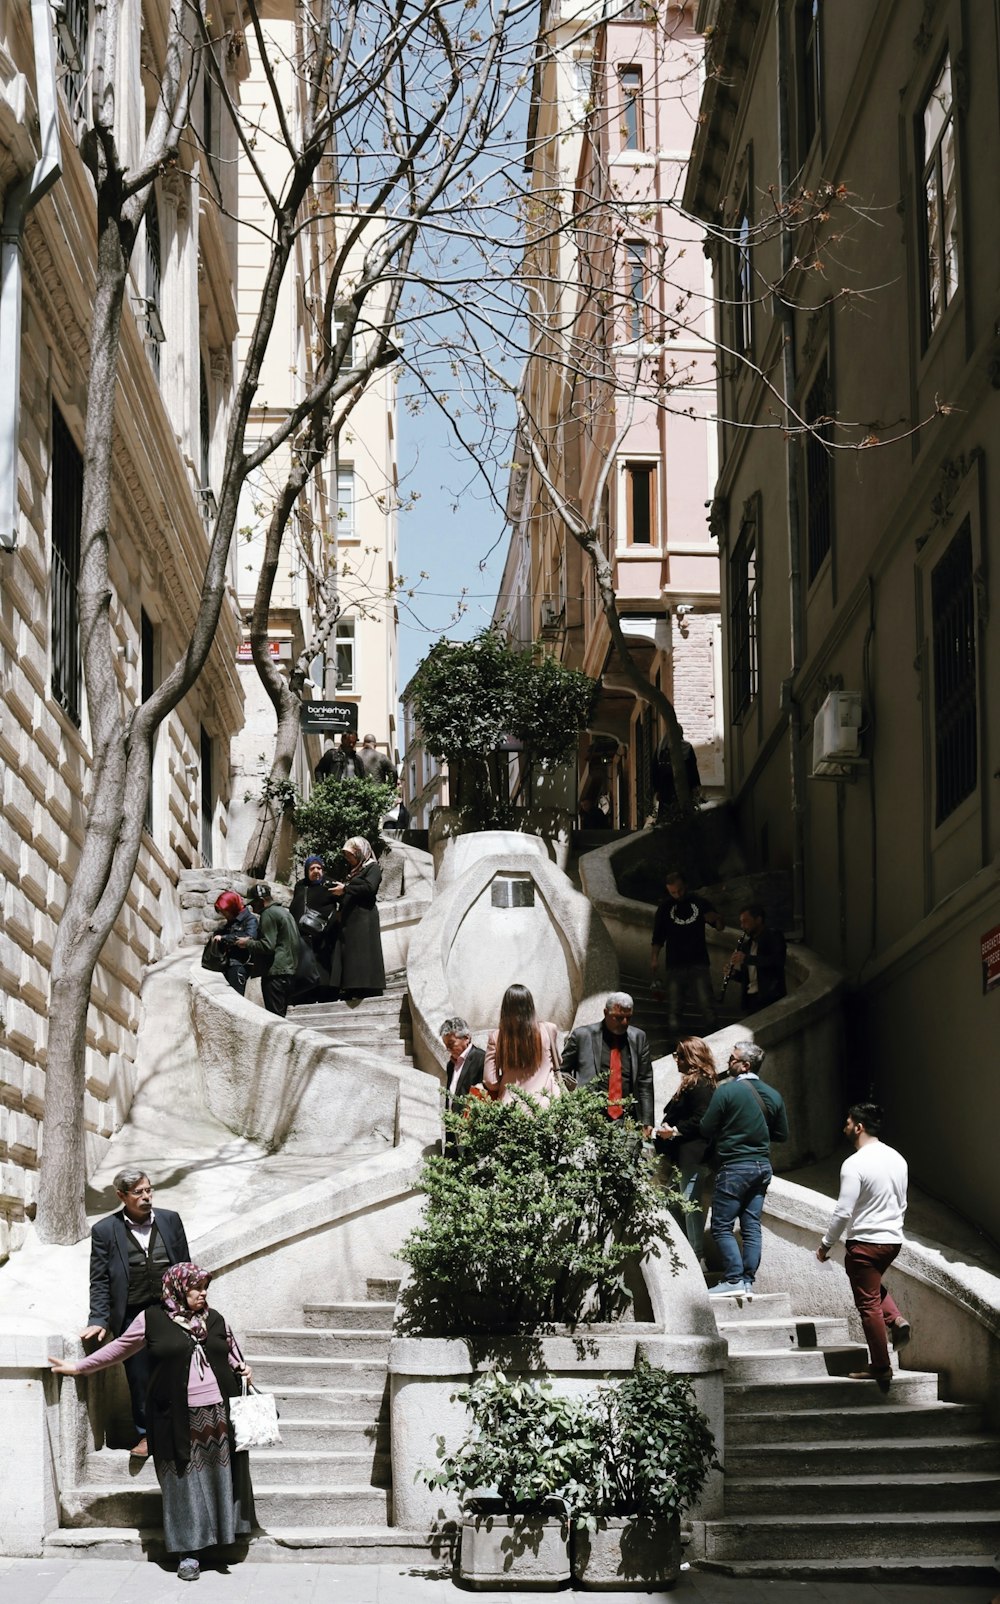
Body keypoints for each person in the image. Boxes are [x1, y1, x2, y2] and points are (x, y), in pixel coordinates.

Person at [51, 1261, 254, 1582]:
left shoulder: (215, 1319)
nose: (203, 1293)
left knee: (218, 1476)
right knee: (182, 1483)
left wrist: (243, 1368)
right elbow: (119, 1349)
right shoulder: (152, 1319)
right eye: (196, 1287)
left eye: (205, 1288)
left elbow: (230, 1352)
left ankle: (219, 1538)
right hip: (172, 1416)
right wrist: (80, 1367)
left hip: (219, 1413)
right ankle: (188, 1553)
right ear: (177, 1288)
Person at [83, 1170, 190, 1457]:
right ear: (121, 1196)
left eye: (149, 1191)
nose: (146, 1197)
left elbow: (184, 1268)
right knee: (140, 1375)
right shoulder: (105, 1230)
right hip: (132, 1315)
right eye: (138, 1193)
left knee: (176, 1371)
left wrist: (192, 1307)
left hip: (169, 1312)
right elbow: (100, 1279)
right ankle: (147, 1435)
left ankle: (181, 1429)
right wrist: (98, 1319)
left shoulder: (170, 1220)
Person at [816, 1103, 911, 1390]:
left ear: (858, 1126)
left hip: (865, 1243)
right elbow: (902, 1201)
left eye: (847, 1122)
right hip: (892, 1241)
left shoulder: (854, 1164)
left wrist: (825, 1245)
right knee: (870, 1285)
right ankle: (895, 1319)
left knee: (867, 1303)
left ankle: (881, 1367)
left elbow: (843, 1211)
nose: (844, 1126)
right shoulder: (898, 1158)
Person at [700, 1040, 788, 1295]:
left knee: (721, 1225)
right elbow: (781, 1134)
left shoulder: (727, 1091)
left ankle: (733, 1280)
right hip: (762, 1167)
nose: (727, 1063)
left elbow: (706, 1127)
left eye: (732, 1059)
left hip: (735, 1166)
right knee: (751, 1226)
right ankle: (748, 1280)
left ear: (745, 1065)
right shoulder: (773, 1094)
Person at [654, 1036, 718, 1260]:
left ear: (692, 1057)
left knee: (690, 1207)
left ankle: (697, 1258)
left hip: (693, 1155)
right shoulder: (697, 1082)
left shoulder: (700, 1084)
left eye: (679, 1055)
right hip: (685, 1156)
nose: (676, 1060)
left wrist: (673, 1130)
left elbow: (702, 1119)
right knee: (673, 1203)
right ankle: (685, 1255)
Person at [560, 992, 654, 1132]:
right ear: (605, 1013)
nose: (624, 1023)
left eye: (628, 1018)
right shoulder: (582, 1036)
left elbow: (645, 1081)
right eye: (618, 1018)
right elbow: (562, 1071)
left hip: (627, 1119)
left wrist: (647, 1121)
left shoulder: (638, 1038)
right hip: (589, 1117)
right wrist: (573, 1096)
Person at [650, 870, 725, 1036]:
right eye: (673, 892)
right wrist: (654, 958)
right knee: (675, 1006)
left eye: (680, 890)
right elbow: (658, 936)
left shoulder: (699, 902)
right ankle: (675, 1042)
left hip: (698, 961)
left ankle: (714, 1036)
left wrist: (717, 918)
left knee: (706, 1003)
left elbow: (720, 927)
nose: (677, 895)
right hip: (675, 963)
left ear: (685, 886)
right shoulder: (664, 908)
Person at [483, 983, 562, 1106]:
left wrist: (507, 1083)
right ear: (531, 1006)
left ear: (505, 1009)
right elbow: (558, 1062)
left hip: (512, 1109)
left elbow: (490, 1081)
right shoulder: (549, 1029)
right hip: (547, 1107)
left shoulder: (496, 1037)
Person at [328, 836, 386, 998]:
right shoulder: (354, 872)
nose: (348, 859)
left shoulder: (372, 868)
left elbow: (369, 887)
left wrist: (345, 889)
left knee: (363, 952)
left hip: (364, 917)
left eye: (351, 855)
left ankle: (367, 988)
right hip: (350, 918)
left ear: (361, 853)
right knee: (351, 953)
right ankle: (352, 987)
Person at [237, 884, 300, 1017]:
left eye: (253, 904)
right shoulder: (283, 912)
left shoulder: (268, 914)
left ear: (261, 901)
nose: (252, 908)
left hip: (275, 975)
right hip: (288, 972)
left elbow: (268, 946)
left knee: (276, 1019)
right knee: (281, 1017)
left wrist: (247, 943)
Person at [289, 854, 340, 986]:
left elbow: (343, 903)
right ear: (307, 870)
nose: (316, 871)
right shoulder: (300, 886)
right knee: (307, 964)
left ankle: (327, 992)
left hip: (325, 934)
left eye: (319, 868)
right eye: (312, 868)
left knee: (324, 964)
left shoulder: (329, 884)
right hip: (304, 934)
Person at [730, 902, 787, 1013]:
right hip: (751, 999)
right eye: (741, 923)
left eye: (745, 921)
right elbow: (749, 977)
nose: (742, 926)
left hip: (770, 998)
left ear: (758, 920)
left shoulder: (773, 936)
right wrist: (734, 974)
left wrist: (746, 959)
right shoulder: (747, 945)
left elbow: (777, 961)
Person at [208, 891, 258, 996]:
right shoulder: (232, 921)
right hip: (228, 964)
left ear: (232, 907)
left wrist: (224, 938)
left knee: (235, 998)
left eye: (225, 911)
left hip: (239, 965)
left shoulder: (250, 920)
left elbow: (249, 937)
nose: (224, 915)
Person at [652, 727, 702, 822]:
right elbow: (692, 769)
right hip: (683, 786)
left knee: (666, 816)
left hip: (665, 789)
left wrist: (656, 789)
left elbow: (654, 770)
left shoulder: (660, 749)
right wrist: (695, 786)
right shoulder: (687, 747)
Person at [441, 1015, 486, 1110]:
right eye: (446, 1045)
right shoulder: (451, 1065)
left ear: (466, 1038)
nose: (448, 1049)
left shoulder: (481, 1059)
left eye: (451, 1043)